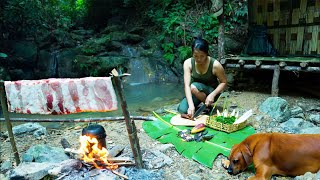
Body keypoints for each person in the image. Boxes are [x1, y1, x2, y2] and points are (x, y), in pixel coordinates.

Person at [177, 37, 227, 117]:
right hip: (195, 92)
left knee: (193, 87)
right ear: (192, 53)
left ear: (207, 53)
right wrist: (191, 106)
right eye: (196, 56)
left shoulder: (215, 65)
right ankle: (202, 106)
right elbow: (187, 85)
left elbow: (224, 82)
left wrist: (212, 95)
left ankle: (208, 105)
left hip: (211, 92)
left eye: (202, 56)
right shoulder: (188, 63)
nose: (199, 59)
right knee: (182, 110)